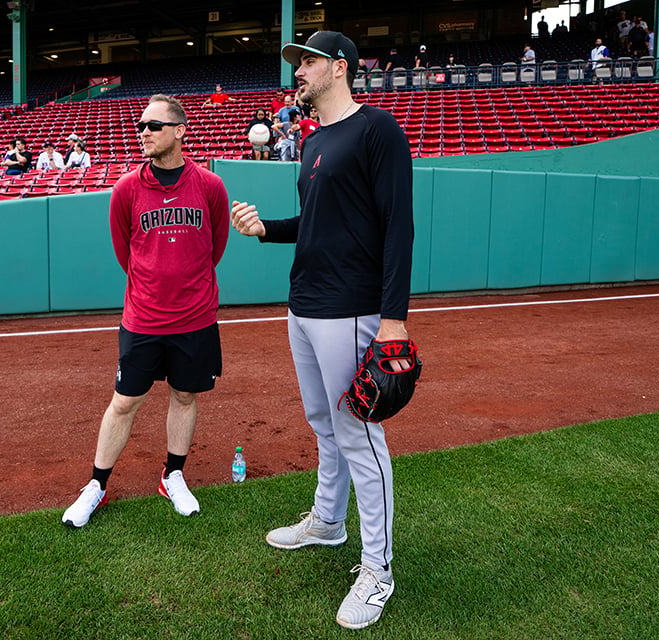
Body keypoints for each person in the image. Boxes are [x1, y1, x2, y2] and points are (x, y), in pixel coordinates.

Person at [230, 30, 415, 630]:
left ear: (339, 68)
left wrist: (393, 321)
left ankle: (378, 571)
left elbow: (398, 229)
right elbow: (315, 223)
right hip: (304, 303)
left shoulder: (376, 130)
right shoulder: (311, 143)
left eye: (306, 61)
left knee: (359, 436)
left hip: (352, 309)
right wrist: (266, 231)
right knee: (323, 425)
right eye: (296, 63)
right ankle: (328, 523)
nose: (298, 72)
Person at [61, 94, 230, 529]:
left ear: (179, 131)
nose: (144, 132)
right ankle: (96, 485)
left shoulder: (210, 186)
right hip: (143, 318)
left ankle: (172, 474)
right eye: (140, 126)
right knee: (124, 402)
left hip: (195, 317)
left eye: (153, 125)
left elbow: (214, 248)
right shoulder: (126, 189)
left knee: (185, 395)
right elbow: (126, 252)